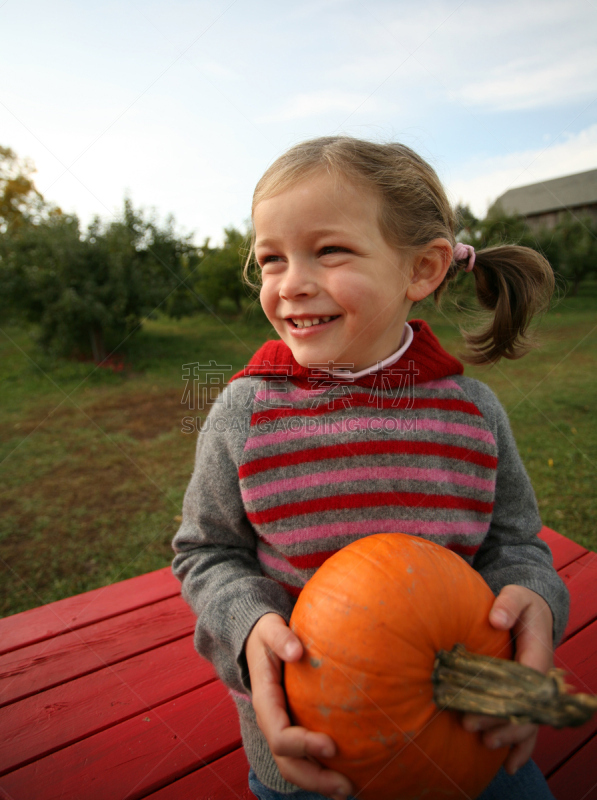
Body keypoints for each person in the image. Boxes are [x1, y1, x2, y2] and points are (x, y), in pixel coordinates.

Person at [172, 136, 569, 800]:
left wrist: (534, 597)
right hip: (308, 757)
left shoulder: (470, 412)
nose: (290, 282)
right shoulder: (247, 411)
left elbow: (513, 543)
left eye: (328, 251)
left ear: (421, 270)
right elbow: (205, 551)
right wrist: (246, 629)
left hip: (468, 737)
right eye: (271, 259)